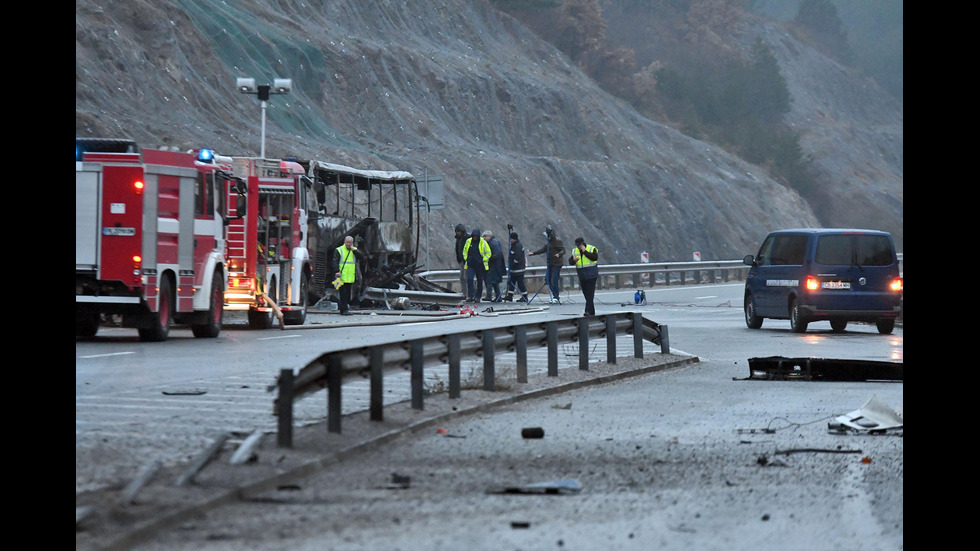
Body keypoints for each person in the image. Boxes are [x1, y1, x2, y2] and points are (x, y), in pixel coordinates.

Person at [528, 225, 565, 304]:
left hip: (556, 264)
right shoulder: (549, 242)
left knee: (554, 280)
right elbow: (543, 249)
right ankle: (554, 294)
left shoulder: (557, 241)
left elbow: (563, 250)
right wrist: (533, 253)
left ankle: (556, 296)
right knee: (547, 280)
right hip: (550, 263)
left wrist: (559, 254)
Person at [331, 235, 366, 315]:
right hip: (341, 276)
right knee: (343, 293)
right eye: (347, 243)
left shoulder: (354, 250)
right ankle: (344, 310)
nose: (348, 244)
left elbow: (362, 257)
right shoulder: (339, 250)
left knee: (347, 294)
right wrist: (336, 271)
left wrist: (354, 250)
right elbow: (335, 261)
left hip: (350, 276)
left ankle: (343, 309)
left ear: (352, 243)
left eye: (350, 243)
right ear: (344, 242)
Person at [569, 237, 599, 316]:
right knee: (586, 294)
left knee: (590, 293)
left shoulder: (591, 248)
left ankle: (587, 311)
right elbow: (570, 261)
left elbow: (595, 258)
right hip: (582, 275)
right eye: (577, 245)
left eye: (579, 245)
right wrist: (574, 261)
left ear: (583, 244)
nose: (578, 247)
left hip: (591, 274)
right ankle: (591, 311)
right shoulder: (575, 251)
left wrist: (585, 251)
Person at [462, 228, 490, 303]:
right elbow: (464, 251)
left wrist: (483, 260)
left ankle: (478, 296)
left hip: (480, 265)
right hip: (470, 264)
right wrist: (466, 259)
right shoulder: (468, 241)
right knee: (470, 279)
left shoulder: (483, 242)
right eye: (474, 236)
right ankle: (470, 295)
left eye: (476, 236)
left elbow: (488, 253)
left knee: (479, 281)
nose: (475, 237)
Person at [505, 232, 529, 302]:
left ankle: (525, 296)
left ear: (515, 239)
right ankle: (510, 296)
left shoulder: (518, 246)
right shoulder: (513, 245)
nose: (510, 240)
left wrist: (512, 265)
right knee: (511, 282)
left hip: (518, 269)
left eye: (511, 239)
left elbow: (517, 258)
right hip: (514, 269)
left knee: (520, 283)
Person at [483, 230, 505, 302]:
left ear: (489, 236)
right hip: (496, 265)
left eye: (485, 236)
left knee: (489, 280)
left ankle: (489, 295)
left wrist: (489, 258)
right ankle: (498, 296)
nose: (484, 238)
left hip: (495, 265)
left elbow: (497, 254)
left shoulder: (493, 243)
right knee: (495, 282)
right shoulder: (493, 242)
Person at [454, 223, 469, 295]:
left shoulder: (467, 238)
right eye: (456, 231)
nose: (457, 233)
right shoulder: (458, 239)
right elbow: (457, 249)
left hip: (467, 261)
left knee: (466, 277)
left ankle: (469, 292)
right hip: (461, 260)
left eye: (458, 231)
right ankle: (464, 292)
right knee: (461, 277)